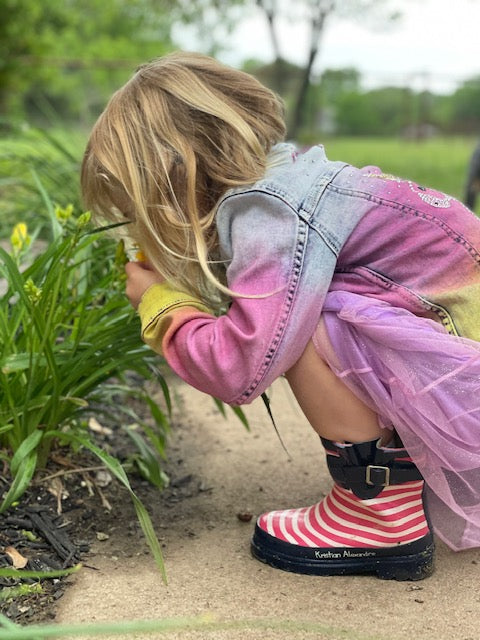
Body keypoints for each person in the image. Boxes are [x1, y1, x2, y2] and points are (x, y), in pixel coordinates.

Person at [81, 51, 480, 582]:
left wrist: (162, 303)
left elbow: (241, 365)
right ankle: (397, 479)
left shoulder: (271, 211)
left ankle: (375, 511)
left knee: (315, 323)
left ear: (175, 175)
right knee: (311, 307)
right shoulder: (294, 182)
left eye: (140, 207)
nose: (141, 225)